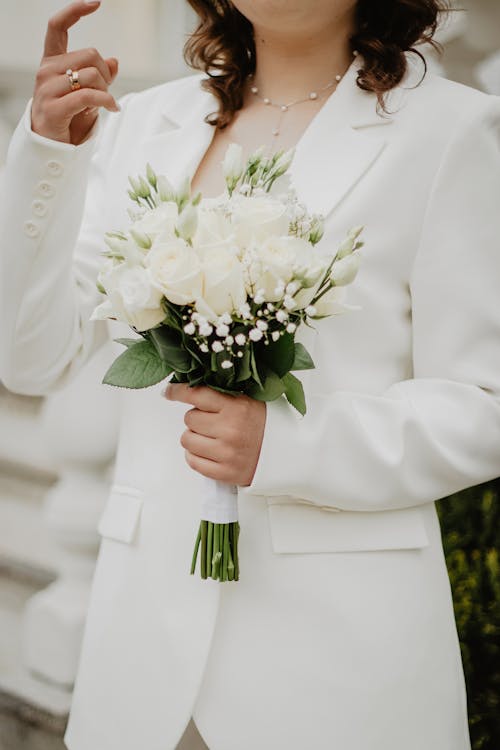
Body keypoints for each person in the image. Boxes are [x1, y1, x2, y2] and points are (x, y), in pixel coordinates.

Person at [0, 1, 499, 748]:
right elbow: (31, 358)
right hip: (140, 653)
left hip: (336, 660)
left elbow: (484, 401)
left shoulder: (454, 130)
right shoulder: (143, 121)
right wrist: (49, 154)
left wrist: (288, 446)